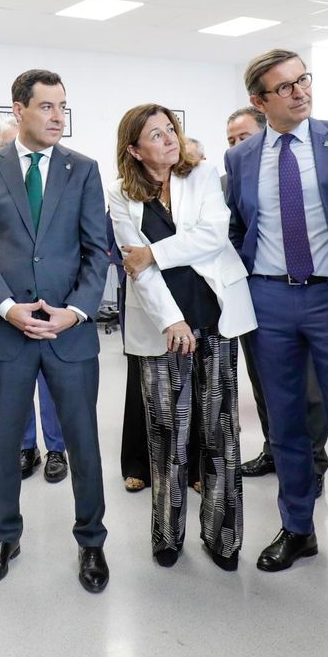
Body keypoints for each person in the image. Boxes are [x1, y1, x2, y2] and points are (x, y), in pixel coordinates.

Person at [224, 49, 328, 605]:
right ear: (259, 100)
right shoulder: (242, 157)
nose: (300, 92)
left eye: (303, 80)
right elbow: (239, 225)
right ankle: (298, 527)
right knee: (285, 424)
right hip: (269, 298)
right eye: (285, 87)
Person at [0, 68, 112, 593]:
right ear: (19, 109)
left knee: (82, 442)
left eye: (62, 107)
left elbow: (97, 251)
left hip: (69, 332)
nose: (57, 117)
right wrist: (7, 308)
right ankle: (4, 536)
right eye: (46, 106)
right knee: (5, 443)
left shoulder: (83, 170)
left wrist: (78, 311)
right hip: (7, 332)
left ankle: (91, 541)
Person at [108, 104, 255, 570]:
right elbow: (135, 268)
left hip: (215, 314)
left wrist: (153, 252)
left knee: (220, 433)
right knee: (166, 435)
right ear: (134, 149)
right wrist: (171, 321)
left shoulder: (203, 175)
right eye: (156, 134)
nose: (170, 138)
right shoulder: (120, 193)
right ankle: (167, 536)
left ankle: (223, 538)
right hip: (161, 325)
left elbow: (213, 236)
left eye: (170, 129)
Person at [227, 103, 328, 482]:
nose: (237, 145)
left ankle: (313, 463)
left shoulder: (306, 167)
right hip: (259, 294)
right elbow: (234, 231)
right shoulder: (232, 177)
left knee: (309, 390)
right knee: (265, 383)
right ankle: (274, 451)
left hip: (313, 291)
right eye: (231, 140)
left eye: (243, 137)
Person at [0, 119, 68, 485]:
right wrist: (3, 303)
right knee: (17, 384)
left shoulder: (59, 176)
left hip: (53, 301)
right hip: (9, 303)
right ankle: (26, 447)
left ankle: (56, 449)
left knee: (52, 383)